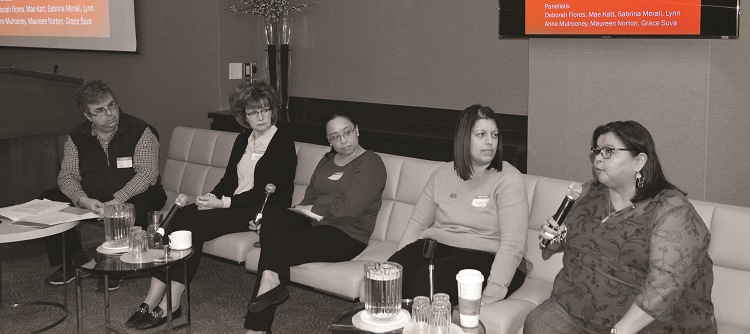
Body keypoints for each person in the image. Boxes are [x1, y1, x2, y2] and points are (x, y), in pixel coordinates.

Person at [126, 81, 297, 330]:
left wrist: (223, 203)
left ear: (273, 111)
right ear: (243, 116)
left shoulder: (283, 142)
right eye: (253, 112)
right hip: (232, 203)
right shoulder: (243, 141)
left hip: (260, 210)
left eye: (265, 110)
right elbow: (228, 180)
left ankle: (172, 302)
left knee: (192, 223)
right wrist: (209, 198)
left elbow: (264, 191)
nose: (260, 117)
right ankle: (155, 295)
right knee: (181, 216)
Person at [524, 120, 716, 334]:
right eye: (596, 150)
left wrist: (621, 330)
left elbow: (665, 283)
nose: (597, 158)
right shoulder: (588, 192)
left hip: (648, 321)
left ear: (639, 161)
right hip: (577, 307)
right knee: (538, 324)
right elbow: (568, 241)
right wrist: (555, 239)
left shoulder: (671, 209)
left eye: (608, 151)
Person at [244, 109, 387, 334]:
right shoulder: (327, 160)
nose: (343, 140)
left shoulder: (370, 163)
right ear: (328, 140)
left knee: (275, 248)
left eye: (347, 132)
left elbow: (347, 211)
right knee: (273, 212)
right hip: (313, 224)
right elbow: (309, 198)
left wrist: (310, 210)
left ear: (357, 130)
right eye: (335, 137)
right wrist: (278, 222)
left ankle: (257, 328)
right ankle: (270, 281)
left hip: (345, 235)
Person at [388, 104, 529, 306]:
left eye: (495, 135)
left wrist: (490, 294)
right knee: (392, 277)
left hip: (487, 254)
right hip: (442, 247)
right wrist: (398, 265)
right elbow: (418, 223)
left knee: (426, 282)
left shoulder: (509, 179)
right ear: (464, 138)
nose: (490, 142)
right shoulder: (443, 174)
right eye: (481, 134)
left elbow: (513, 244)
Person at [41, 80, 167, 290]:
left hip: (138, 193)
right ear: (87, 115)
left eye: (112, 105)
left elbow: (147, 174)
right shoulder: (76, 137)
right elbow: (66, 176)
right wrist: (83, 200)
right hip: (93, 195)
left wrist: (116, 201)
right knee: (48, 200)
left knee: (142, 204)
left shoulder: (140, 131)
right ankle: (75, 262)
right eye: (100, 110)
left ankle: (119, 262)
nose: (110, 114)